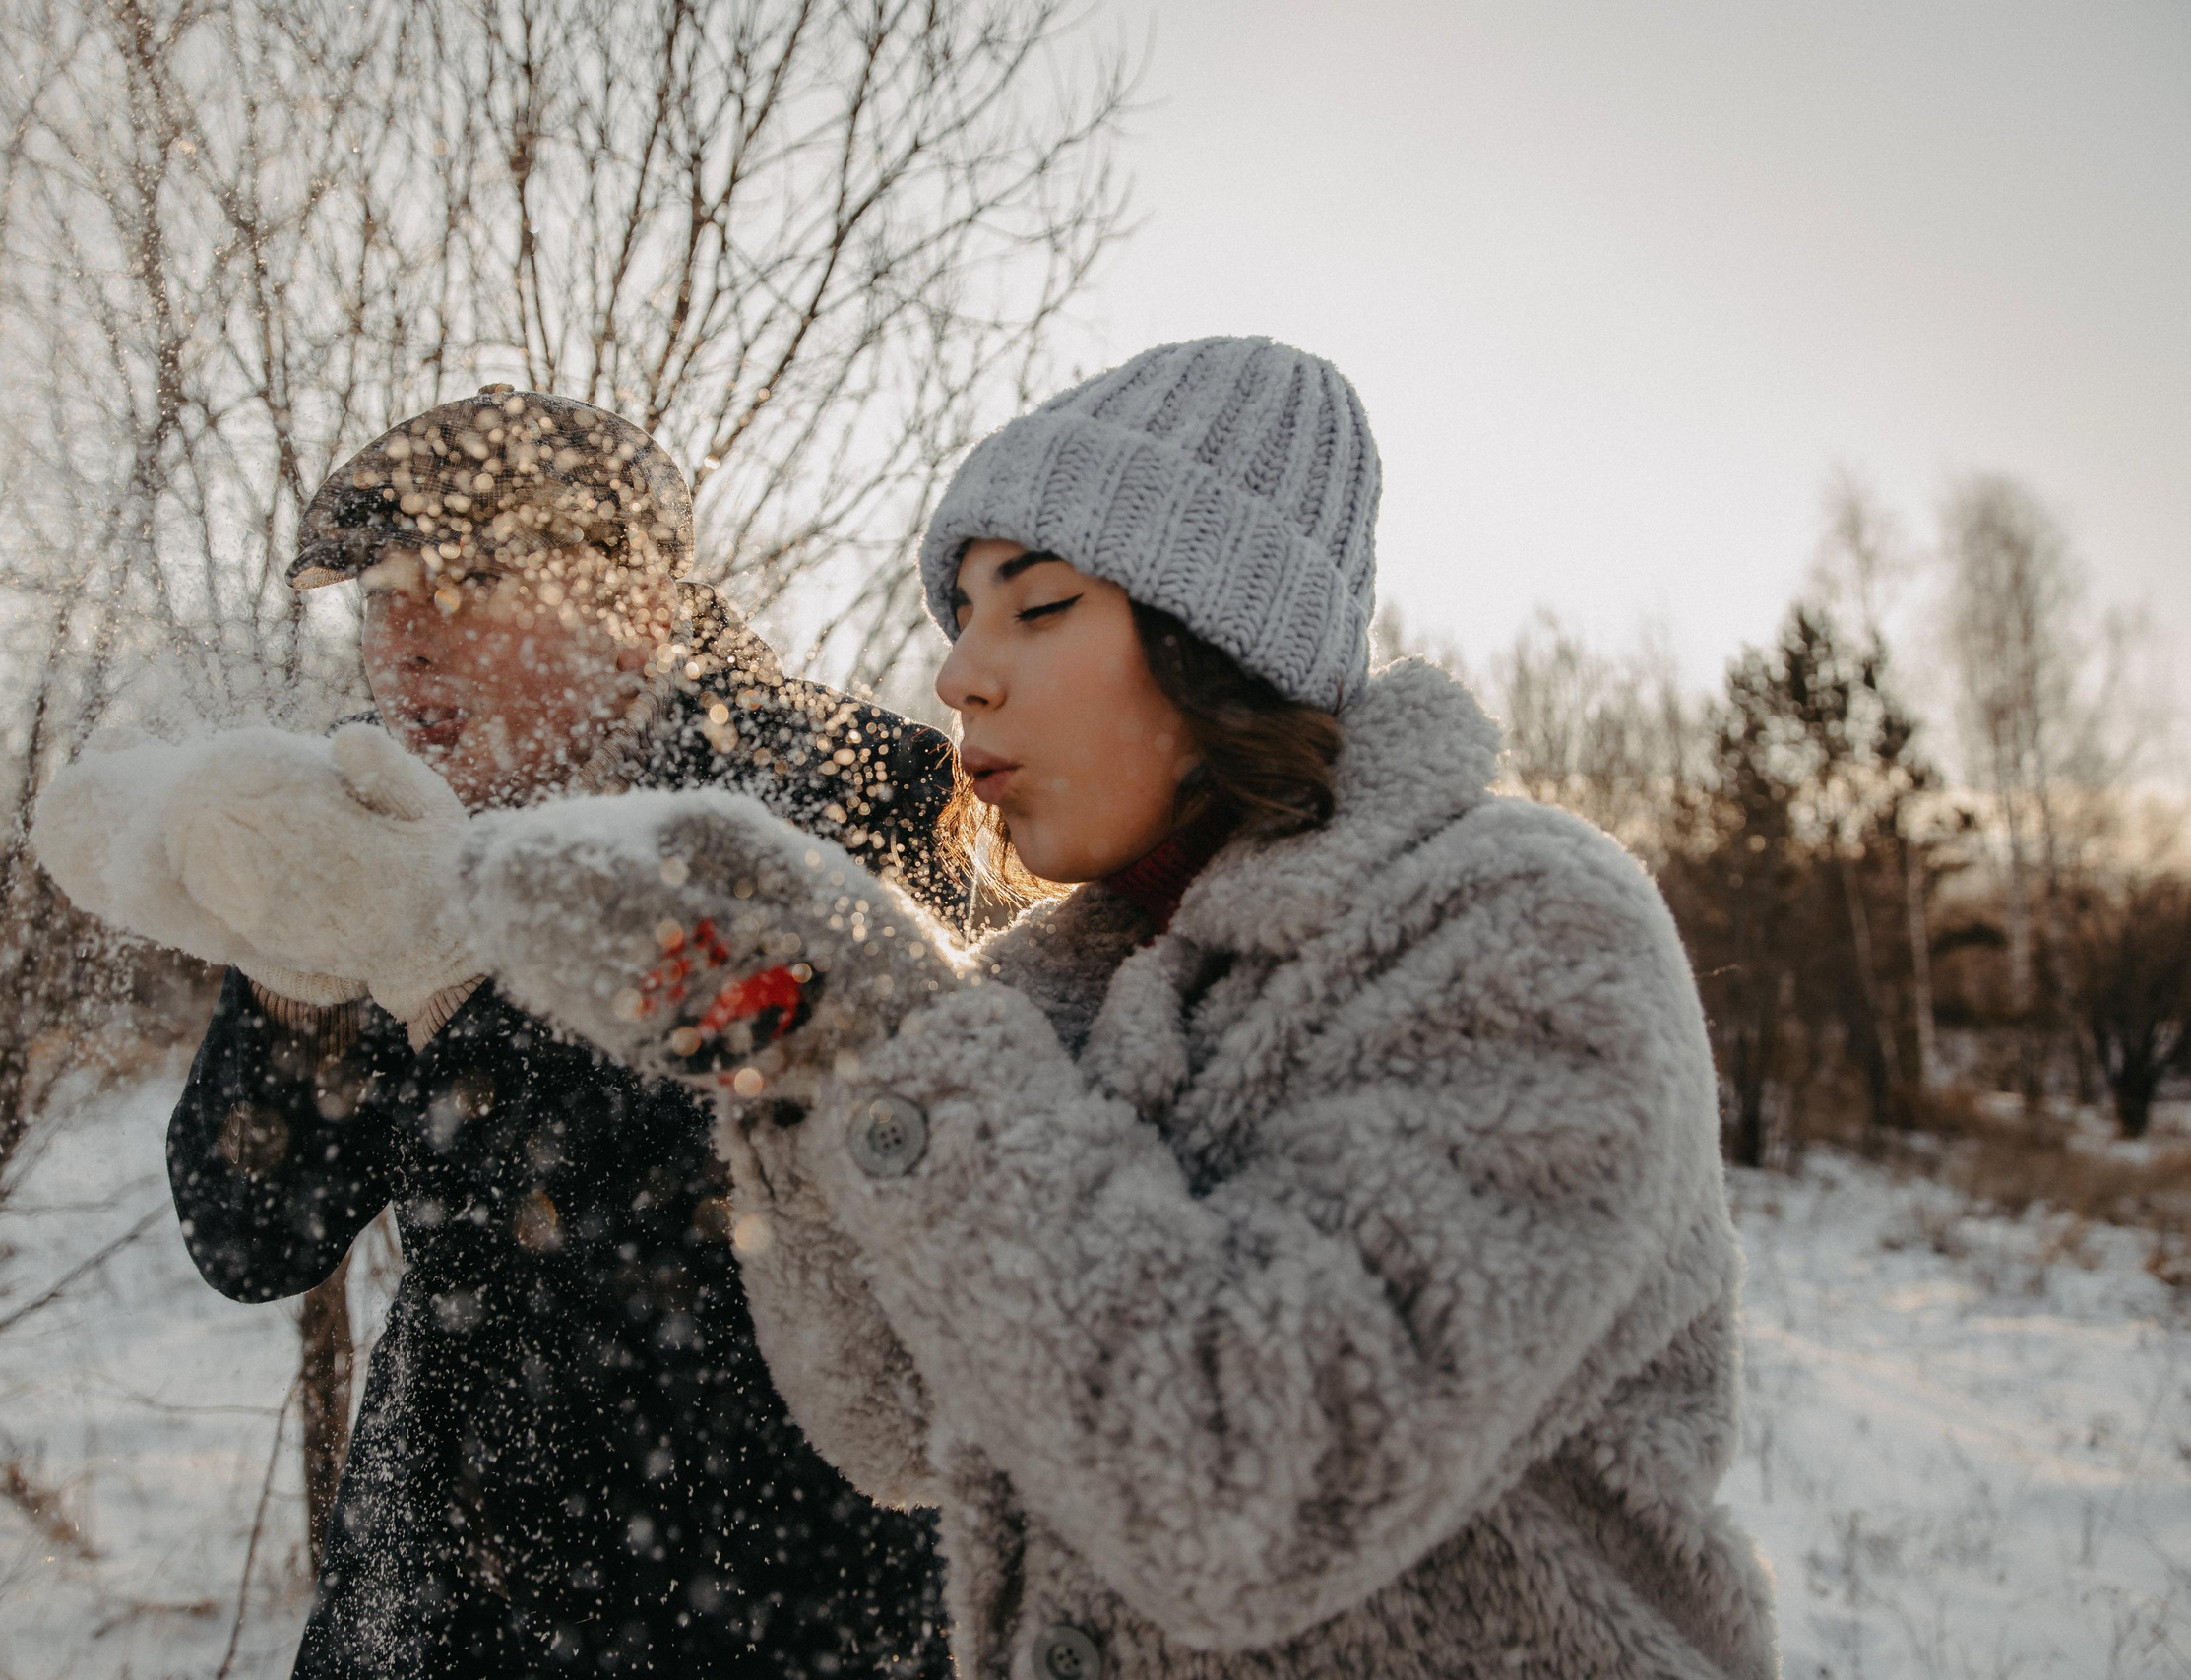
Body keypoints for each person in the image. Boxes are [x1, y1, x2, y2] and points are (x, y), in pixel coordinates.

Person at [451, 339, 1782, 1678]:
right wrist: (786, 1049)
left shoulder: (1519, 925)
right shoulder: (1054, 982)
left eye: (1035, 610)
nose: (960, 675)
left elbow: (1251, 1497)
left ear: (1216, 645)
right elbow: (895, 1417)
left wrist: (880, 1031)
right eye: (959, 617)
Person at [31, 389, 958, 1676]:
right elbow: (251, 1236)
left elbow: (819, 1236)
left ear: (626, 608)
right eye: (379, 603)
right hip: (436, 1604)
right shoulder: (368, 816)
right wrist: (296, 974)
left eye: (455, 592)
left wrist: (459, 993)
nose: (403, 650)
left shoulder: (850, 805)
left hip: (775, 1603)